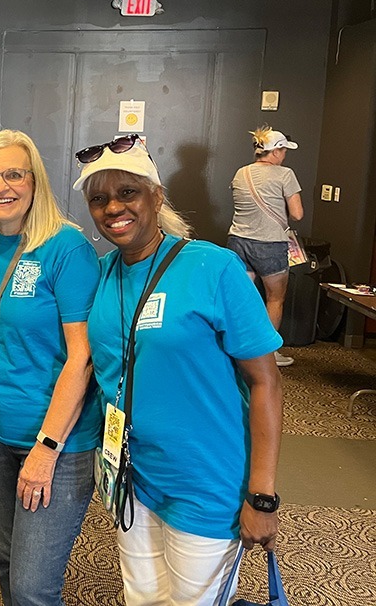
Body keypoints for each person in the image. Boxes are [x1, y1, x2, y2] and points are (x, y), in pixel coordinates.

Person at [73, 134, 283, 606]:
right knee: (142, 596)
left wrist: (263, 496)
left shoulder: (213, 267)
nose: (112, 208)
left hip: (206, 482)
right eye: (98, 199)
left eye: (128, 192)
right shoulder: (104, 273)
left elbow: (266, 382)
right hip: (133, 476)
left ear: (156, 195)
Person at [0, 129, 101, 606]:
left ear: (35, 181)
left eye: (14, 174)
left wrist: (46, 448)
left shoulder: (67, 248)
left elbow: (82, 357)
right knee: (7, 561)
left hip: (56, 444)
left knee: (32, 588)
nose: (1, 186)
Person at [227, 126, 304, 367]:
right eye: (283, 150)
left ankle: (235, 350)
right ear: (277, 151)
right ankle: (266, 355)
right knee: (274, 299)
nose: (284, 155)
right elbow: (297, 214)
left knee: (241, 298)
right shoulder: (285, 174)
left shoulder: (241, 173)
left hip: (238, 241)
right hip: (270, 245)